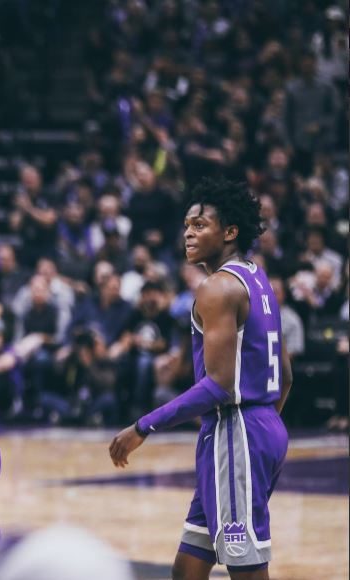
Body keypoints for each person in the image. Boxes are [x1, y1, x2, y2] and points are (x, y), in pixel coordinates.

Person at [110, 179, 292, 579]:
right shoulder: (258, 279)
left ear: (230, 232)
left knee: (247, 569)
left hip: (237, 433)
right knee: (188, 567)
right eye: (186, 226)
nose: (188, 234)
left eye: (200, 225)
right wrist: (264, 426)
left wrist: (143, 426)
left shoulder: (218, 287)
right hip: (256, 430)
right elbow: (286, 374)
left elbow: (218, 385)